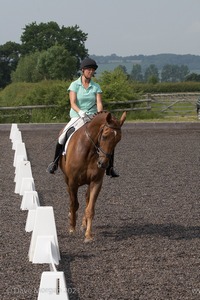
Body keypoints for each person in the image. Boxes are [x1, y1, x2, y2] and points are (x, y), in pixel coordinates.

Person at [47, 57, 119, 177]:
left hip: (93, 117)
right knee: (62, 137)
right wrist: (81, 113)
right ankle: (54, 163)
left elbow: (99, 103)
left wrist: (99, 115)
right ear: (83, 70)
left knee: (108, 138)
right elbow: (73, 103)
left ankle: (110, 168)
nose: (91, 72)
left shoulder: (96, 86)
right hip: (77, 117)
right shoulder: (74, 85)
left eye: (92, 70)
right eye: (88, 69)